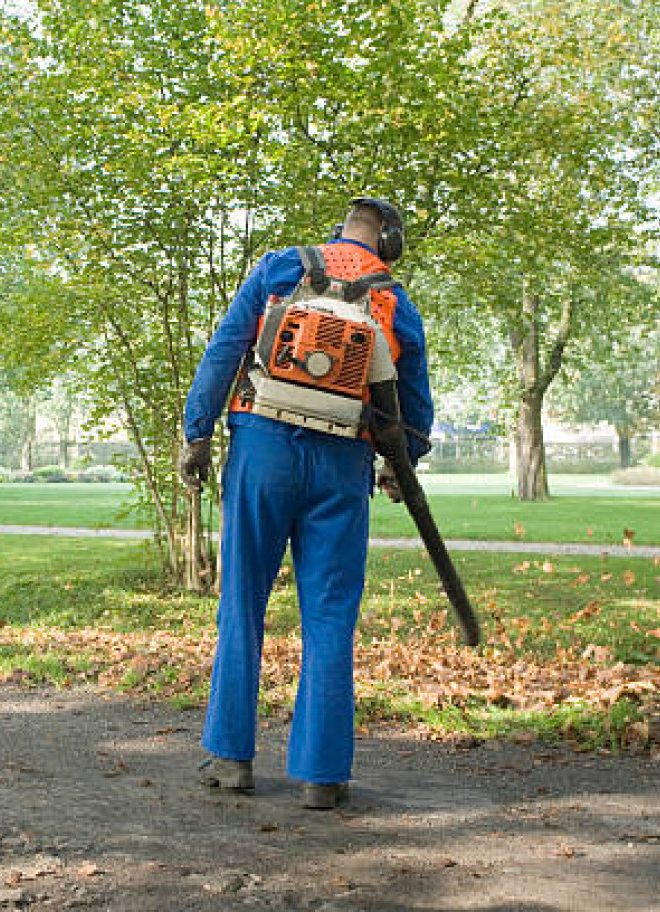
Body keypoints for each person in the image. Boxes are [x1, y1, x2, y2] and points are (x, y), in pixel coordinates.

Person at [178, 197, 433, 809]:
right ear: (389, 242)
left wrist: (197, 432)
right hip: (342, 463)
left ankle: (230, 758)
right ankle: (322, 774)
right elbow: (415, 408)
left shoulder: (278, 269)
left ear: (335, 233)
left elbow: (226, 348)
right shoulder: (395, 301)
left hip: (262, 444)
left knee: (242, 602)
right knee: (329, 615)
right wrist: (403, 467)